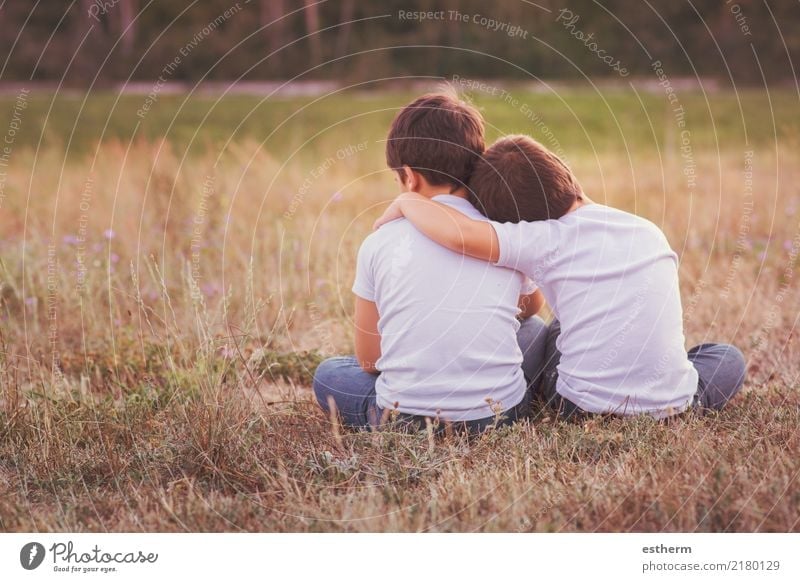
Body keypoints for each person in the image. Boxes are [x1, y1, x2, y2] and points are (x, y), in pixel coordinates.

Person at [374, 134, 746, 419]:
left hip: (577, 406)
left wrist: (409, 201)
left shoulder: (540, 238)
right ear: (568, 176)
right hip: (674, 403)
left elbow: (459, 234)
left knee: (548, 328)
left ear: (519, 222)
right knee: (726, 357)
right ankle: (664, 384)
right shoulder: (646, 230)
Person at [312, 95, 548, 434]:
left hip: (404, 419)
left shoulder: (379, 241)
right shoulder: (499, 234)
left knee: (331, 372)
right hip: (499, 416)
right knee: (535, 328)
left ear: (409, 178)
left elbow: (369, 359)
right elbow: (531, 307)